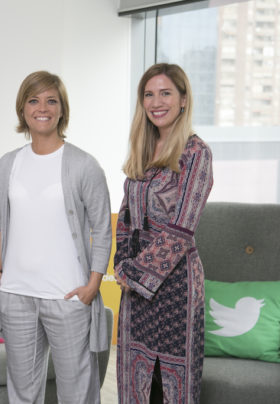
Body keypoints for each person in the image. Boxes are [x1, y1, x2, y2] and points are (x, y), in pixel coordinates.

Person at [0, 70, 112, 404]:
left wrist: (92, 285)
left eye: (51, 100)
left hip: (68, 297)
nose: (41, 107)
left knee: (78, 394)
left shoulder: (85, 165)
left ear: (61, 109)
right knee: (22, 395)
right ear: (22, 109)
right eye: (33, 100)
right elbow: (1, 220)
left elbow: (102, 228)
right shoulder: (8, 163)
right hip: (15, 295)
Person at [114, 63, 213, 404]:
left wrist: (136, 273)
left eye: (166, 93)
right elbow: (126, 218)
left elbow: (181, 230)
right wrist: (121, 265)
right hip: (134, 289)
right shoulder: (143, 150)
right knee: (136, 382)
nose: (157, 102)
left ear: (183, 100)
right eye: (149, 94)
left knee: (172, 386)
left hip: (176, 288)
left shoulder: (196, 153)